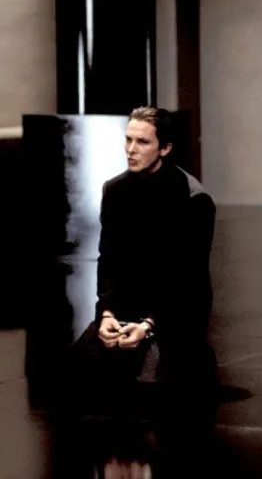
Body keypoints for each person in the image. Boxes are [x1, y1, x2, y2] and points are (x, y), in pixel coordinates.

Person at [64, 106, 217, 414]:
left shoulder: (193, 199)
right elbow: (108, 259)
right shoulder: (115, 190)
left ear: (165, 148)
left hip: (174, 313)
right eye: (128, 139)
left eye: (142, 142)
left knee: (150, 392)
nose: (131, 150)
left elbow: (188, 279)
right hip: (126, 309)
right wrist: (106, 313)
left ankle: (189, 359)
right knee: (73, 379)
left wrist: (149, 325)